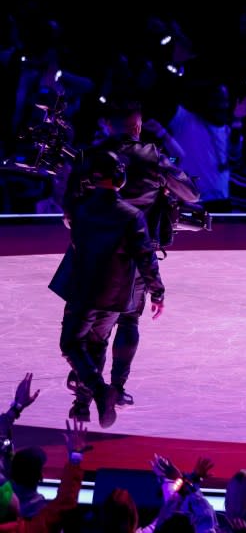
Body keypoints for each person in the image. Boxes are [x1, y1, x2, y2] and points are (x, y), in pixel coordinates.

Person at [82, 99, 200, 408]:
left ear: (110, 125)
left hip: (94, 254)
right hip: (136, 255)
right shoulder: (153, 158)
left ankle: (88, 393)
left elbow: (71, 208)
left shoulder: (93, 156)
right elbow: (191, 193)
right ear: (138, 126)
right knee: (129, 321)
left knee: (96, 327)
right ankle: (117, 389)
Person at [49, 149, 165, 428]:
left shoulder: (80, 210)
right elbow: (145, 256)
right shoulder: (131, 215)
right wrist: (157, 291)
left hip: (84, 292)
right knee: (97, 344)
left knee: (71, 344)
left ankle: (97, 394)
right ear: (120, 177)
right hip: (115, 295)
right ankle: (86, 406)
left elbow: (72, 220)